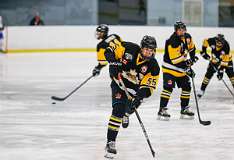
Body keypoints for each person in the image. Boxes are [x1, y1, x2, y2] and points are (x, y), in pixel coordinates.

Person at [104, 35, 160, 158]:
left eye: (151, 50)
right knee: (117, 111)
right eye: (146, 49)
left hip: (134, 92)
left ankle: (127, 114)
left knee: (128, 110)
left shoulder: (153, 67)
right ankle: (110, 142)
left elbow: (149, 87)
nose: (148, 52)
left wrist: (139, 97)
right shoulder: (129, 48)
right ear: (141, 48)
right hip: (119, 84)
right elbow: (109, 49)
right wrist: (112, 61)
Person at [158, 21, 198, 120]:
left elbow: (192, 49)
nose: (182, 31)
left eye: (183, 29)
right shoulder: (173, 41)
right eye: (179, 30)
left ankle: (184, 109)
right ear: (176, 30)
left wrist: (192, 59)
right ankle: (161, 110)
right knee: (168, 88)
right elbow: (175, 61)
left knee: (187, 87)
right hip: (169, 68)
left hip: (180, 68)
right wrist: (187, 68)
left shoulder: (187, 37)